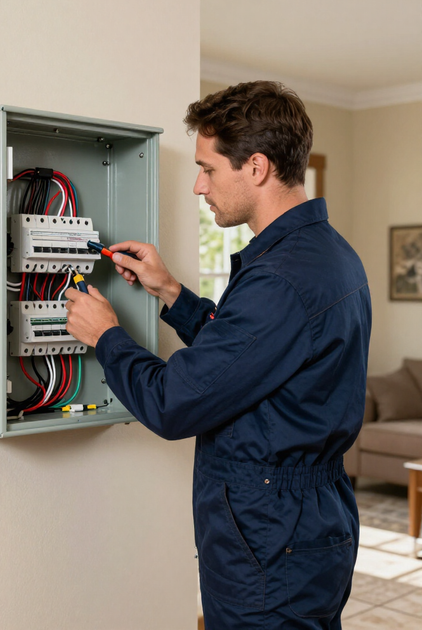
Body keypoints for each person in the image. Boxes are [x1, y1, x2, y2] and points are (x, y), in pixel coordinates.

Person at [65, 81, 371, 629]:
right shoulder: (328, 254)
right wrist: (171, 293)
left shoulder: (280, 278)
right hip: (308, 525)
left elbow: (172, 404)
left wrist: (106, 336)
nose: (197, 186)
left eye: (208, 168)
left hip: (271, 537)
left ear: (256, 167)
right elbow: (252, 356)